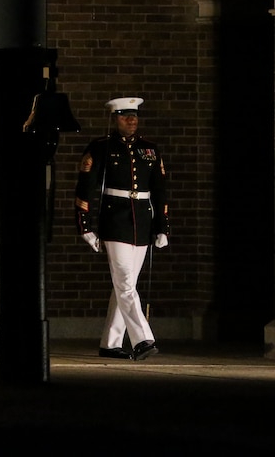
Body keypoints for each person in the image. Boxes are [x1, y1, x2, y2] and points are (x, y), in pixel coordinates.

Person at [74, 96, 169, 361]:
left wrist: (162, 227)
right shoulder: (101, 148)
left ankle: (111, 343)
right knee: (126, 283)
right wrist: (85, 226)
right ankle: (143, 339)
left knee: (125, 285)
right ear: (115, 118)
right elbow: (85, 188)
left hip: (142, 221)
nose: (131, 120)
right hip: (114, 221)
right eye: (126, 116)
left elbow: (159, 191)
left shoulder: (149, 149)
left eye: (135, 116)